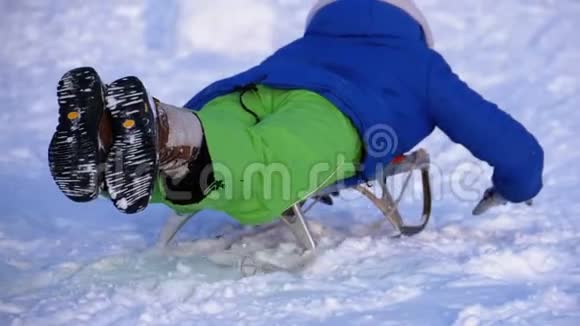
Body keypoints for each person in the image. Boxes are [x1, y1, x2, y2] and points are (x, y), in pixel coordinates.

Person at [48, 0, 543, 225]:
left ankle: (118, 151)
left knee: (220, 142)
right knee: (266, 172)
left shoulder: (308, 43)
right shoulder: (421, 64)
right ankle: (164, 138)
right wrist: (516, 184)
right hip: (334, 113)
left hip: (245, 91)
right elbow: (502, 138)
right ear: (415, 29)